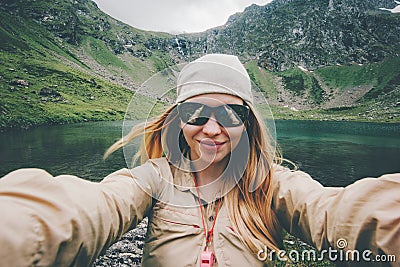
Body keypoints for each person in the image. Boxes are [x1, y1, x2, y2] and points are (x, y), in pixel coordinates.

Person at [0, 54, 399, 267]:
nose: (212, 128)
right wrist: (20, 230)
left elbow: (333, 212)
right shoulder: (154, 178)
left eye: (231, 114)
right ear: (177, 119)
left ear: (249, 124)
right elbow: (92, 206)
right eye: (196, 112)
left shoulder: (273, 184)